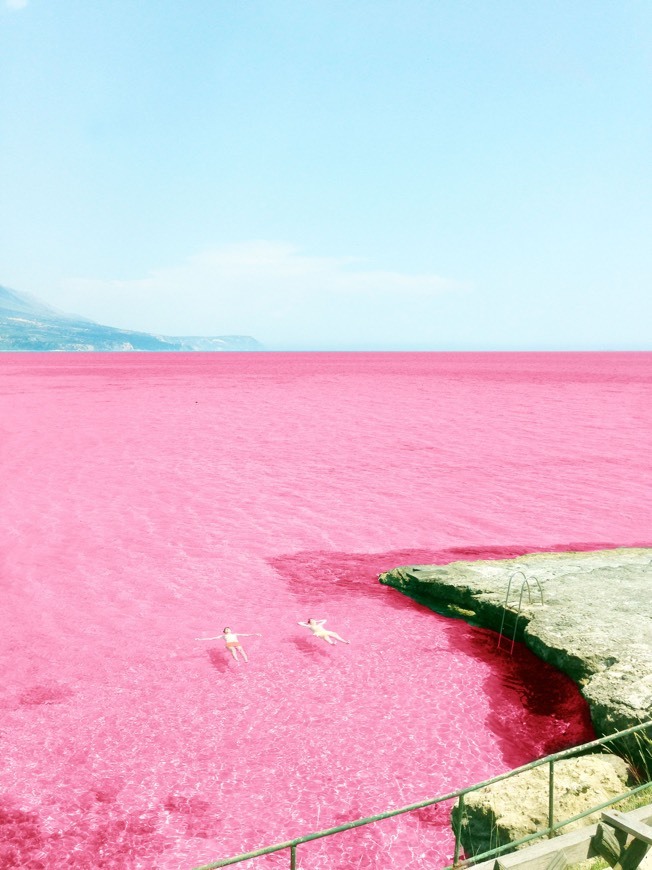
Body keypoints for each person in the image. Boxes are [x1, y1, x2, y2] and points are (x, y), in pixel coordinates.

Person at [195, 627, 260, 662]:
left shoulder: (235, 634)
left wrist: (254, 634)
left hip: (236, 642)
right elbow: (212, 638)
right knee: (233, 650)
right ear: (224, 631)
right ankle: (236, 659)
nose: (228, 629)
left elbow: (245, 635)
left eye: (228, 629)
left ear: (230, 630)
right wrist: (200, 639)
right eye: (226, 629)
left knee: (240, 650)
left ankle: (246, 659)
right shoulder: (223, 636)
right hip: (229, 644)